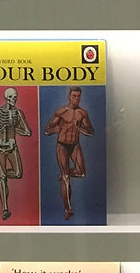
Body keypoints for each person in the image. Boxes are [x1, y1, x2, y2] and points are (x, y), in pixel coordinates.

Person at [0, 87, 32, 220]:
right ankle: (5, 209)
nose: (13, 100)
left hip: (11, 147)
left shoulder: (18, 113)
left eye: (15, 97)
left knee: (18, 173)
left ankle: (0, 175)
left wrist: (15, 129)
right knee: (3, 177)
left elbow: (27, 132)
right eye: (11, 97)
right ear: (6, 97)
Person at [44, 86, 94, 220]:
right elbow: (47, 130)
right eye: (74, 96)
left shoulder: (82, 113)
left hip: (75, 145)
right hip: (62, 146)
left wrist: (79, 127)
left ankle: (64, 173)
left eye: (78, 96)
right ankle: (68, 209)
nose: (76, 98)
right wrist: (54, 130)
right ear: (69, 96)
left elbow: (91, 132)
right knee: (66, 179)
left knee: (81, 173)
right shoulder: (61, 112)